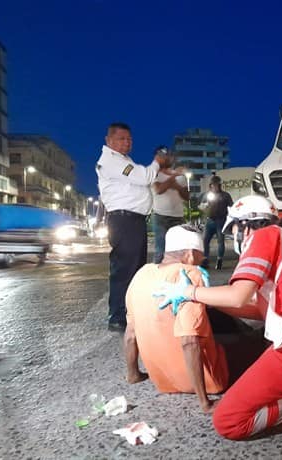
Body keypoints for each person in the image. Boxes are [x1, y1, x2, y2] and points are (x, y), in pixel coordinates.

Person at [155, 195, 282, 440]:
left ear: (246, 225)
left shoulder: (263, 235)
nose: (236, 236)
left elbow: (238, 296)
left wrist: (190, 292)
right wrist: (207, 299)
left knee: (229, 421)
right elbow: (260, 311)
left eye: (235, 229)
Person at [124, 224, 228, 413]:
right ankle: (204, 396)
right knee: (251, 341)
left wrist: (133, 373)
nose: (202, 259)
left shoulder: (142, 274)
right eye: (200, 255)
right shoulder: (189, 274)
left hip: (164, 382)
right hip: (208, 380)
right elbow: (189, 342)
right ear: (189, 254)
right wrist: (205, 402)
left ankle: (133, 375)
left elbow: (131, 333)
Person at [96, 122, 170, 332]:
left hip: (132, 220)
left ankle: (130, 312)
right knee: (124, 269)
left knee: (135, 269)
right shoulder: (111, 161)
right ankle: (118, 316)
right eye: (122, 139)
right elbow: (144, 176)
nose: (127, 143)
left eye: (129, 139)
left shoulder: (122, 160)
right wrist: (157, 161)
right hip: (124, 220)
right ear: (109, 141)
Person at [151, 145, 189, 263]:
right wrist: (173, 178)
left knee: (178, 251)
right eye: (163, 156)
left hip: (178, 217)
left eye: (169, 156)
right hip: (160, 216)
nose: (168, 158)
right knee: (160, 251)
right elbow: (158, 190)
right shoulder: (153, 174)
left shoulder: (180, 176)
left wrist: (175, 186)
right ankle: (157, 277)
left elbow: (187, 196)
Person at [199, 174, 233, 270]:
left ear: (219, 185)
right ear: (211, 185)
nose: (215, 186)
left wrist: (231, 218)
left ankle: (219, 260)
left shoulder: (225, 195)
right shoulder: (207, 195)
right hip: (210, 219)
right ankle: (205, 259)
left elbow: (231, 206)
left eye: (217, 184)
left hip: (221, 220)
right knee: (205, 240)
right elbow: (201, 205)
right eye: (213, 185)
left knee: (220, 241)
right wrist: (203, 207)